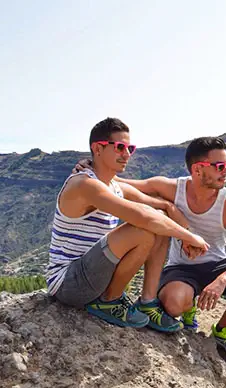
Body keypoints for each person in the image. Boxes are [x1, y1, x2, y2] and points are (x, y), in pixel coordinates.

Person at [47, 117, 209, 333]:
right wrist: (189, 238)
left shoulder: (113, 185)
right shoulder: (84, 185)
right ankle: (109, 300)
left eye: (130, 148)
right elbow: (143, 216)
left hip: (94, 275)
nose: (127, 154)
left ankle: (148, 302)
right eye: (120, 147)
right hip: (69, 283)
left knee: (158, 219)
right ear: (97, 148)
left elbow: (163, 207)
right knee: (144, 229)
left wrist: (184, 231)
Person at [114, 137, 226, 362]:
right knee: (175, 303)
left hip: (216, 267)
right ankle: (188, 308)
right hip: (181, 269)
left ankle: (224, 329)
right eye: (219, 167)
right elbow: (121, 184)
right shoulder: (172, 189)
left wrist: (222, 280)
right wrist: (91, 168)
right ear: (197, 169)